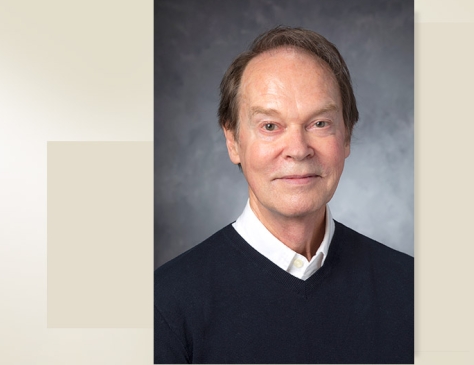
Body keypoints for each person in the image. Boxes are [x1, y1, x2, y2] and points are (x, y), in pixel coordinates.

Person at [154, 26, 414, 364]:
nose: (298, 149)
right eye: (270, 126)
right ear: (233, 141)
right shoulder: (165, 305)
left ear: (347, 136)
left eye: (319, 123)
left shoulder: (412, 291)